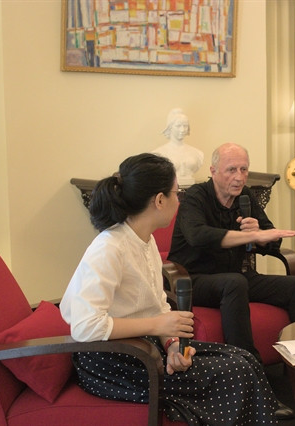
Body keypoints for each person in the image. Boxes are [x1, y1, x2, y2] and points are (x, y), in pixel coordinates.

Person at [60, 153, 278, 424]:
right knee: (234, 372)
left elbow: (158, 307)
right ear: (159, 200)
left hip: (145, 345)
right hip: (111, 360)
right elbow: (85, 327)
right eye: (176, 193)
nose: (179, 201)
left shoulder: (145, 240)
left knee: (244, 360)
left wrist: (173, 345)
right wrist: (158, 326)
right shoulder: (109, 248)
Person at [168, 143, 295, 410]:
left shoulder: (245, 197)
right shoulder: (196, 197)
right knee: (234, 283)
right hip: (194, 280)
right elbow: (198, 235)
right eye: (231, 170)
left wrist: (259, 234)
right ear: (213, 171)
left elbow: (271, 238)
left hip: (237, 278)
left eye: (244, 169)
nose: (239, 177)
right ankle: (252, 380)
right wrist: (249, 236)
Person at [153, 108, 204, 186]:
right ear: (170, 127)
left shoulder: (198, 153)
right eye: (178, 126)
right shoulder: (158, 154)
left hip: (191, 189)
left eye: (185, 126)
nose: (182, 129)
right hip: (169, 188)